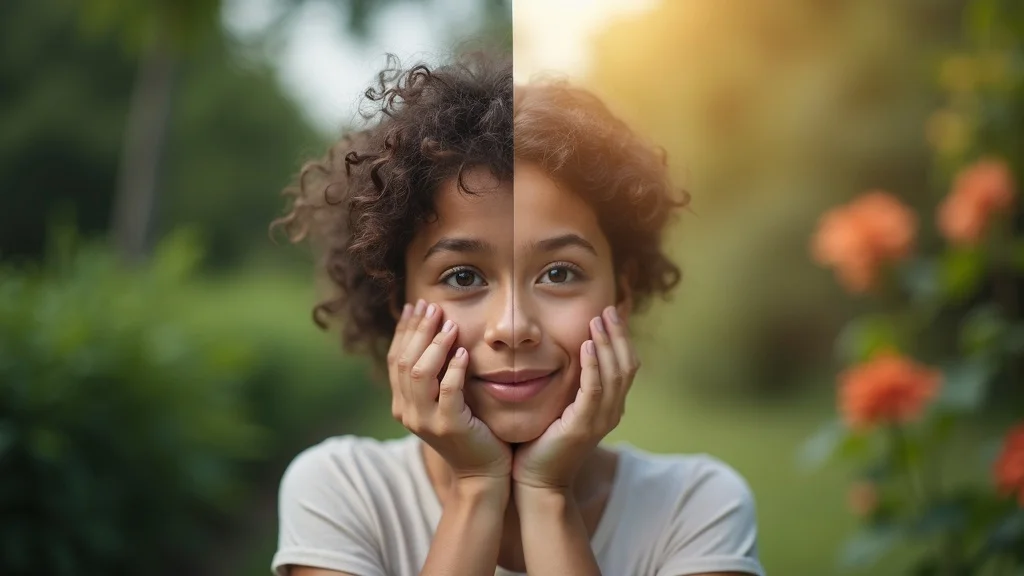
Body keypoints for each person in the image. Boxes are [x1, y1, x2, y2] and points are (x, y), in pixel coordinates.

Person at [269, 52, 765, 576]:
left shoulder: (696, 507)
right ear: (398, 300)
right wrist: (475, 490)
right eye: (464, 277)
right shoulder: (341, 490)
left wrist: (547, 496)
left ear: (622, 292)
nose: (512, 328)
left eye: (559, 273)